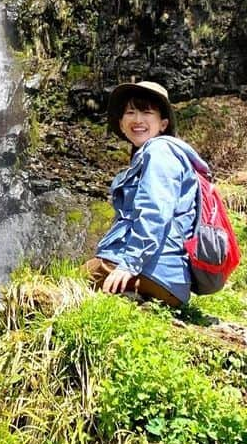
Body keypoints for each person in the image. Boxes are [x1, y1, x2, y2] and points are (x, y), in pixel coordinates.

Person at [83, 80, 211, 308]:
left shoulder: (160, 151)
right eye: (130, 112)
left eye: (146, 112)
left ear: (163, 124)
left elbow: (155, 211)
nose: (138, 120)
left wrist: (129, 264)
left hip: (156, 271)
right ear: (121, 124)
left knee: (67, 283)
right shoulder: (147, 158)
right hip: (165, 278)